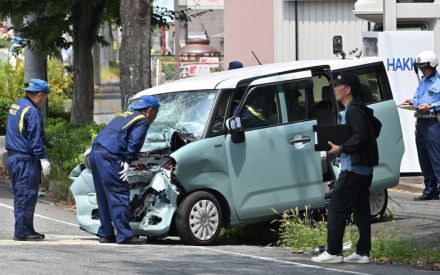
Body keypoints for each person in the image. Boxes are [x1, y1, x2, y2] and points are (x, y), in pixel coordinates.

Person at [311, 72, 378, 264]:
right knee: (361, 211)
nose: (334, 88)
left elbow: (362, 135)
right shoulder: (357, 108)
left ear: (347, 89)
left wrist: (341, 148)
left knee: (335, 207)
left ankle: (333, 251)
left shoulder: (353, 110)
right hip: (362, 168)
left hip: (354, 169)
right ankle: (363, 252)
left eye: (337, 85)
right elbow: (374, 129)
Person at [90, 95, 160, 245]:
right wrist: (128, 160)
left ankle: (106, 233)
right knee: (118, 193)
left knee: (103, 195)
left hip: (96, 153)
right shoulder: (142, 119)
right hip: (111, 156)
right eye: (156, 113)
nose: (155, 117)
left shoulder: (124, 116)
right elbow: (135, 141)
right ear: (149, 111)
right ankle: (124, 235)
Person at [5, 79, 51, 241]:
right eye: (45, 97)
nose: (44, 101)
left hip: (14, 157)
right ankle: (23, 231)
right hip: (25, 160)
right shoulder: (32, 111)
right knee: (26, 195)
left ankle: (26, 228)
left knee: (21, 195)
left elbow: (22, 130)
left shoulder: (17, 105)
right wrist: (43, 158)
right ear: (39, 95)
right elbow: (34, 138)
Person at [402, 50, 440, 201]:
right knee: (423, 157)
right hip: (421, 123)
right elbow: (418, 98)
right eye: (420, 68)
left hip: (433, 123)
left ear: (432, 65)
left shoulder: (438, 81)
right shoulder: (423, 81)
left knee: (436, 157)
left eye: (424, 67)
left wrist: (430, 106)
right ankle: (430, 189)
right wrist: (413, 102)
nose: (422, 70)